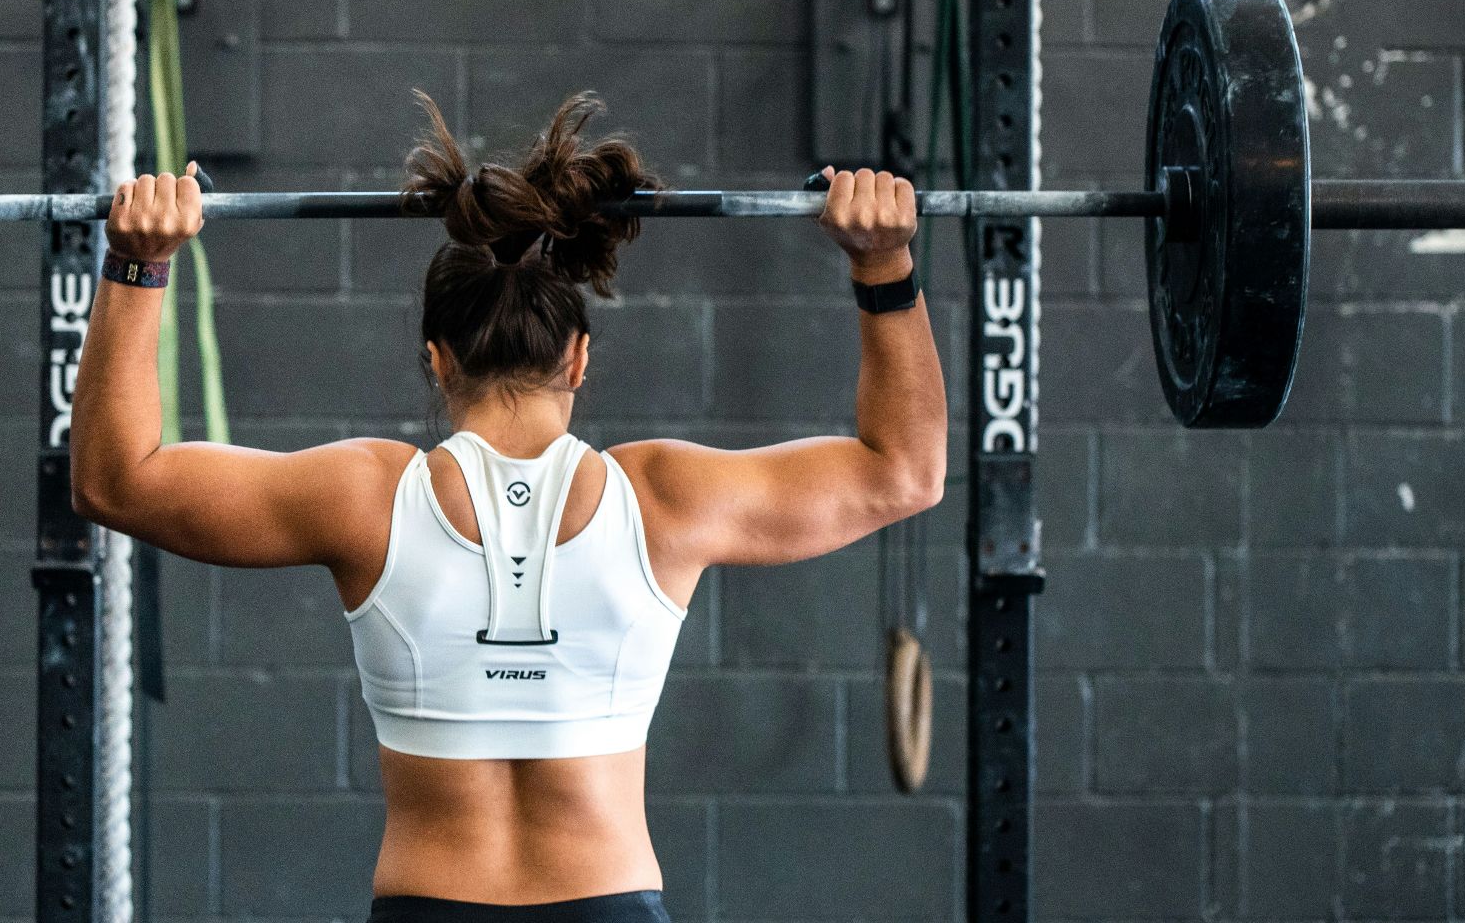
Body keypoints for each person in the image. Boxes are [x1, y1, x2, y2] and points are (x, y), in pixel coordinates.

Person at [70, 92, 948, 923]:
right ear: (579, 359)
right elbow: (905, 471)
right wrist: (884, 266)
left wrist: (139, 265)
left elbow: (115, 480)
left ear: (437, 359)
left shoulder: (366, 497)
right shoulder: (663, 499)